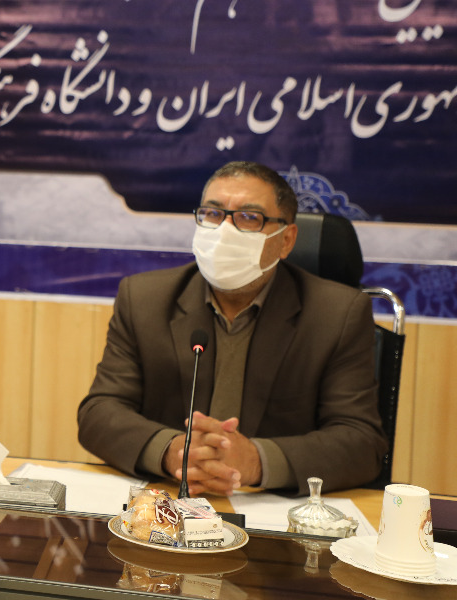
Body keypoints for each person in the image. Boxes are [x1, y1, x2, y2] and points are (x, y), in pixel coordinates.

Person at [77, 161, 386, 496]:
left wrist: (257, 461)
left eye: (249, 217)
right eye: (212, 214)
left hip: (269, 507)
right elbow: (99, 413)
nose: (224, 230)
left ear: (286, 240)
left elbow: (362, 442)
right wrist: (172, 451)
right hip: (168, 502)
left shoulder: (337, 314)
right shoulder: (144, 299)